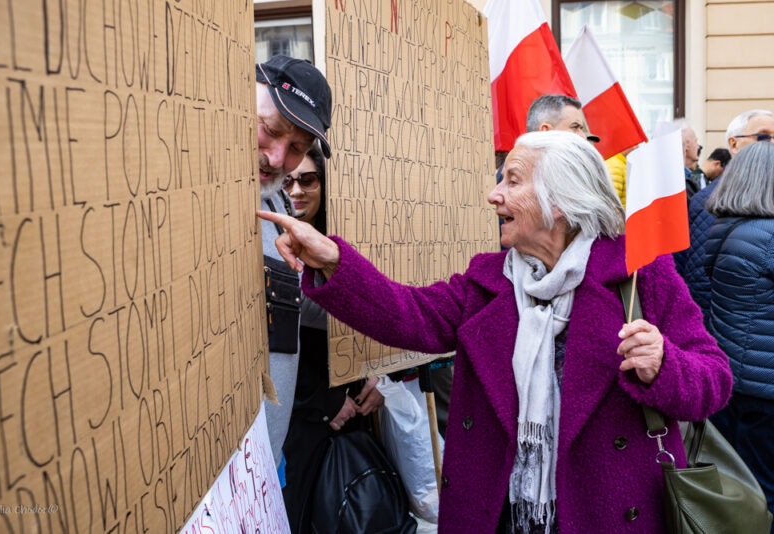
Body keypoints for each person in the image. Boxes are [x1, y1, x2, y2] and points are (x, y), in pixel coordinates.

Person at [259, 131, 732, 533]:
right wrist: (334, 261)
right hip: (498, 516)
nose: (494, 194)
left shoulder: (642, 276)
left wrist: (665, 364)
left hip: (606, 513)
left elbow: (714, 380)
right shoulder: (487, 283)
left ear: (561, 201)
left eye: (512, 180)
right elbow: (407, 313)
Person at [280, 147, 384, 532]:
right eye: (287, 180)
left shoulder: (344, 241)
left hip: (352, 410)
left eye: (308, 179)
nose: (296, 190)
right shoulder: (263, 239)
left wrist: (378, 375)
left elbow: (375, 312)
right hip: (301, 421)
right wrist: (325, 402)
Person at [255, 54, 333, 472]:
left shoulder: (279, 203)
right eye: (269, 130)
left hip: (266, 466)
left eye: (298, 150)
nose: (277, 158)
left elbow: (295, 301)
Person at [703, 141, 774, 526]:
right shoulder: (768, 235)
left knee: (745, 488)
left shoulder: (725, 228)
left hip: (736, 380)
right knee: (766, 490)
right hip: (766, 389)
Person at [675, 109, 774, 317]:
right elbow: (700, 281)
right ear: (734, 144)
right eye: (764, 137)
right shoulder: (709, 202)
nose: (771, 144)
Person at [679, 123, 704, 201]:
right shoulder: (683, 182)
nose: (698, 146)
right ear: (686, 145)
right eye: (696, 141)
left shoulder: (688, 177)